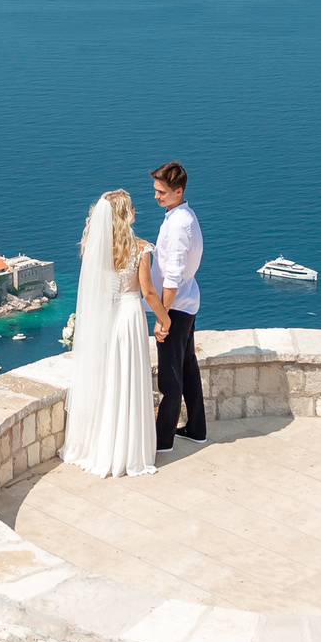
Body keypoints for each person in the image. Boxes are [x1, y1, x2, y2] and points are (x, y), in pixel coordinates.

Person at [64, 189, 158, 477]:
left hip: (107, 319)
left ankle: (102, 447)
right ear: (124, 213)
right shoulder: (141, 248)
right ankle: (129, 452)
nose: (135, 211)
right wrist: (165, 319)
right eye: (131, 207)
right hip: (129, 318)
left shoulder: (96, 250)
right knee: (128, 378)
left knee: (109, 381)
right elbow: (149, 292)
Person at [149, 160, 205, 451]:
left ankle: (163, 441)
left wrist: (162, 316)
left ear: (178, 190)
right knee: (187, 369)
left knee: (170, 378)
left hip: (176, 307)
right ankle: (196, 429)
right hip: (188, 301)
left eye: (161, 191)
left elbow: (172, 275)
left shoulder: (179, 224)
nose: (156, 196)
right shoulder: (183, 215)